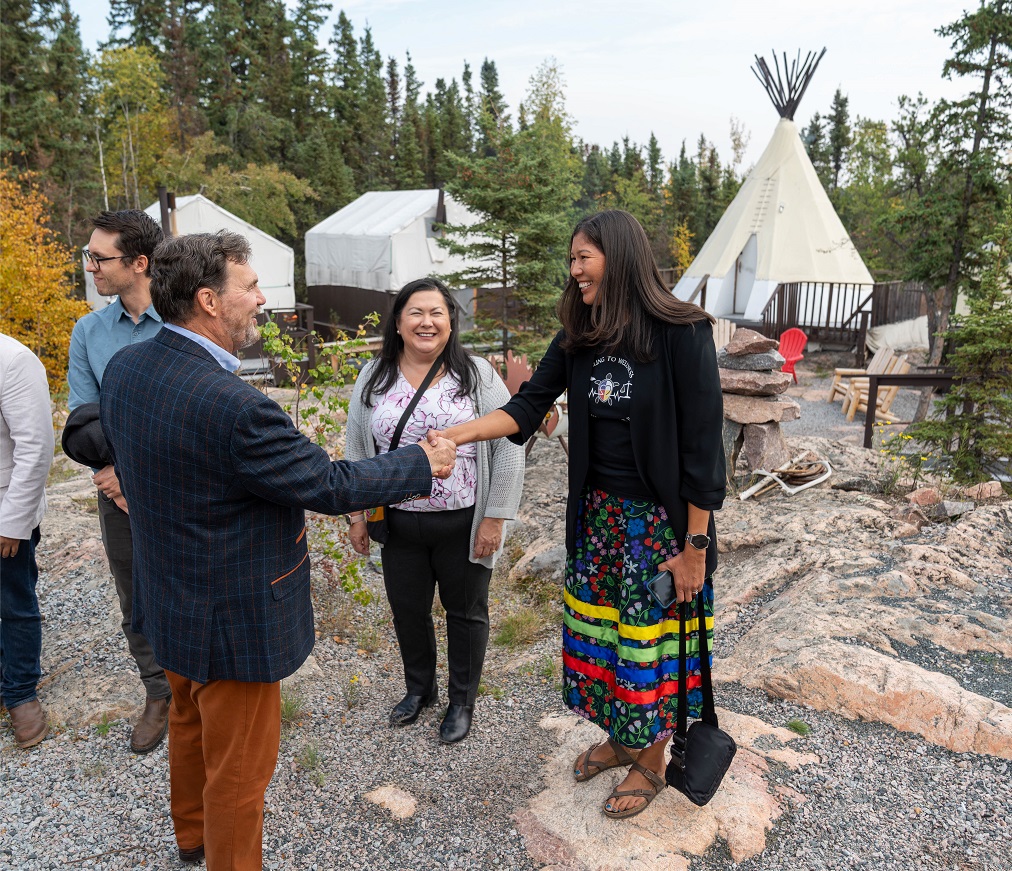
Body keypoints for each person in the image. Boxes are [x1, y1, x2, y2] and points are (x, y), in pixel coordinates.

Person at [99, 231, 456, 870]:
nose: (263, 299)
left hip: (169, 600)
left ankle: (191, 837)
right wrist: (420, 463)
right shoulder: (234, 405)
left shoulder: (128, 367)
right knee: (239, 773)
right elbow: (328, 483)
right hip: (231, 623)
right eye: (251, 286)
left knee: (186, 720)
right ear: (210, 301)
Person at [431, 210, 725, 818]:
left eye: (582, 257)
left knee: (650, 646)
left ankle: (652, 761)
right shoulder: (578, 336)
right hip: (597, 520)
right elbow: (525, 408)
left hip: (661, 527)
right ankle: (623, 738)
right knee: (605, 640)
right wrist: (454, 434)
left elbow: (702, 447)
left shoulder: (682, 332)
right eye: (571, 259)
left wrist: (694, 547)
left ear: (616, 256)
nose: (574, 270)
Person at [345, 278, 525, 744]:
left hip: (462, 521)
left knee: (466, 612)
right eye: (416, 313)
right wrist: (358, 514)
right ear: (399, 323)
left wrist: (494, 516)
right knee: (407, 609)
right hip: (398, 521)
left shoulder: (476, 374)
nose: (427, 322)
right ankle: (418, 689)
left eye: (437, 313)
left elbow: (509, 445)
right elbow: (357, 447)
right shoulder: (374, 375)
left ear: (450, 322)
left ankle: (461, 700)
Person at [67, 209, 171, 753]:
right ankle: (158, 691)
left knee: (193, 581)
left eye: (98, 258)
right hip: (119, 492)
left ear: (139, 262)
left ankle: (199, 681)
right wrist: (112, 478)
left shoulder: (183, 319)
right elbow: (84, 415)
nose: (90, 268)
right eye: (89, 256)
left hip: (184, 485)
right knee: (136, 593)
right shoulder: (89, 332)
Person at [0, 333, 54, 749]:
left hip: (4, 514)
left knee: (14, 605)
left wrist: (12, 524)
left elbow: (35, 449)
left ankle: (19, 693)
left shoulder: (14, 360)